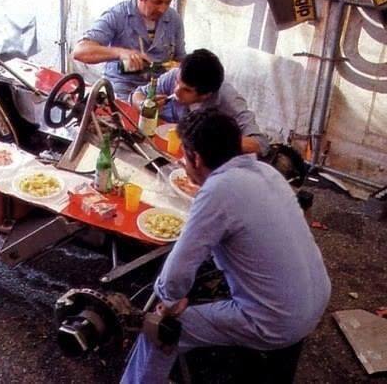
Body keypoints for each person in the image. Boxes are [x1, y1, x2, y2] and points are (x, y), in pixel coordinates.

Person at [121, 109, 331, 384]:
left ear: (195, 158)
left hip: (278, 322)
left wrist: (170, 302)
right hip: (317, 298)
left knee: (159, 328)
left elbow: (173, 279)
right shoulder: (267, 172)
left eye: (185, 156)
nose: (184, 163)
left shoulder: (218, 189)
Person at [72, 0, 186, 100]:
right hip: (122, 89)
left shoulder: (174, 19)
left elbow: (180, 59)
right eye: (157, 2)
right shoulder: (117, 15)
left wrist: (179, 69)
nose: (163, 9)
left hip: (158, 90)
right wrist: (120, 53)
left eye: (168, 2)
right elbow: (79, 52)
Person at [131, 48, 269, 155]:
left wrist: (208, 141)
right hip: (164, 146)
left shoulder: (229, 102)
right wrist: (145, 105)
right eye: (177, 82)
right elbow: (136, 95)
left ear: (205, 95)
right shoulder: (177, 75)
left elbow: (259, 143)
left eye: (187, 90)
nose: (177, 91)